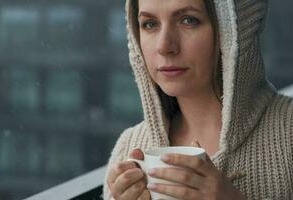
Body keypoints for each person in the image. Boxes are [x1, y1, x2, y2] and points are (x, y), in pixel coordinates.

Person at [103, 0, 293, 199]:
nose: (164, 46)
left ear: (237, 28)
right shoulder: (128, 149)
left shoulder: (288, 135)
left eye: (188, 20)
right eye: (150, 24)